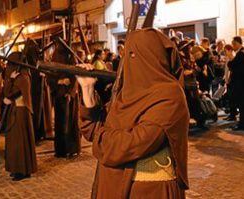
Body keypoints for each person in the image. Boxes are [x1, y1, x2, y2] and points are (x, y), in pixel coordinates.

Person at [77, 28, 189, 198]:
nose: (127, 62)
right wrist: (87, 88)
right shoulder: (127, 92)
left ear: (149, 57)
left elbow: (135, 143)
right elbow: (92, 129)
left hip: (149, 191)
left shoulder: (170, 95)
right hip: (115, 185)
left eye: (132, 55)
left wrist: (101, 139)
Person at [3, 52, 37, 180]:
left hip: (20, 112)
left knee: (19, 143)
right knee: (17, 142)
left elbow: (8, 93)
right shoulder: (23, 76)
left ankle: (22, 170)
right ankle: (19, 168)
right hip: (18, 111)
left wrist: (10, 79)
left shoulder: (22, 78)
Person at [227, 36, 244, 131]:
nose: (232, 46)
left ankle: (242, 125)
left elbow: (233, 65)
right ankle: (242, 123)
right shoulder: (240, 53)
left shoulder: (241, 54)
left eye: (234, 44)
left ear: (238, 43)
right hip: (240, 83)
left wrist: (230, 61)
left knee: (242, 105)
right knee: (242, 105)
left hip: (241, 84)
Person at [223, 44, 237, 121]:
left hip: (231, 81)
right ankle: (232, 114)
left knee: (232, 98)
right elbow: (226, 70)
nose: (225, 53)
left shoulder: (233, 58)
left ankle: (232, 115)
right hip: (228, 80)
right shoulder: (228, 58)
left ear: (230, 50)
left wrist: (227, 79)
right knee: (230, 98)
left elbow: (229, 70)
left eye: (226, 51)